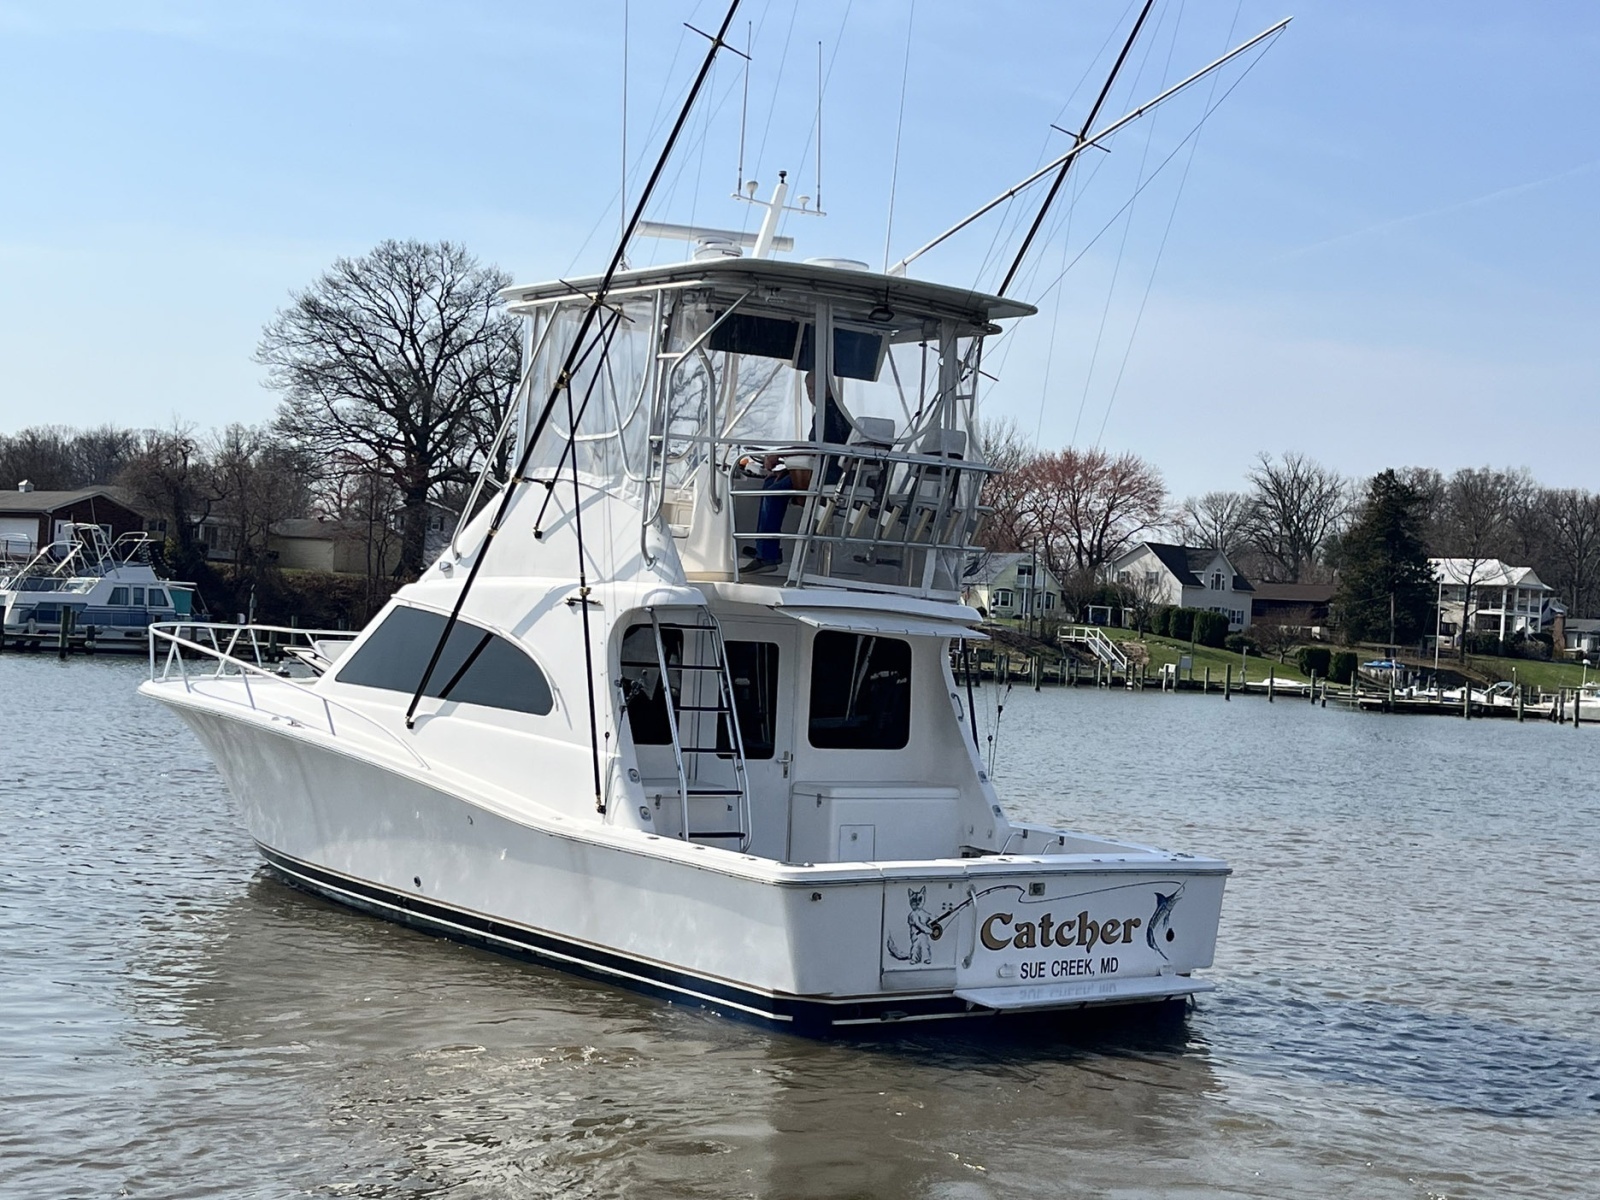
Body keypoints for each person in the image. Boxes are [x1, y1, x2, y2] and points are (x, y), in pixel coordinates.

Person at [742, 371, 850, 572]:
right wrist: (787, 466)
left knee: (773, 493)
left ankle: (767, 555)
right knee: (772, 484)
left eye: (814, 388)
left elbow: (816, 447)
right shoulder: (836, 412)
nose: (810, 393)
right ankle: (765, 549)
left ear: (828, 389)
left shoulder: (828, 414)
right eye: (807, 388)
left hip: (827, 475)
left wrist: (778, 455)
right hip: (826, 470)